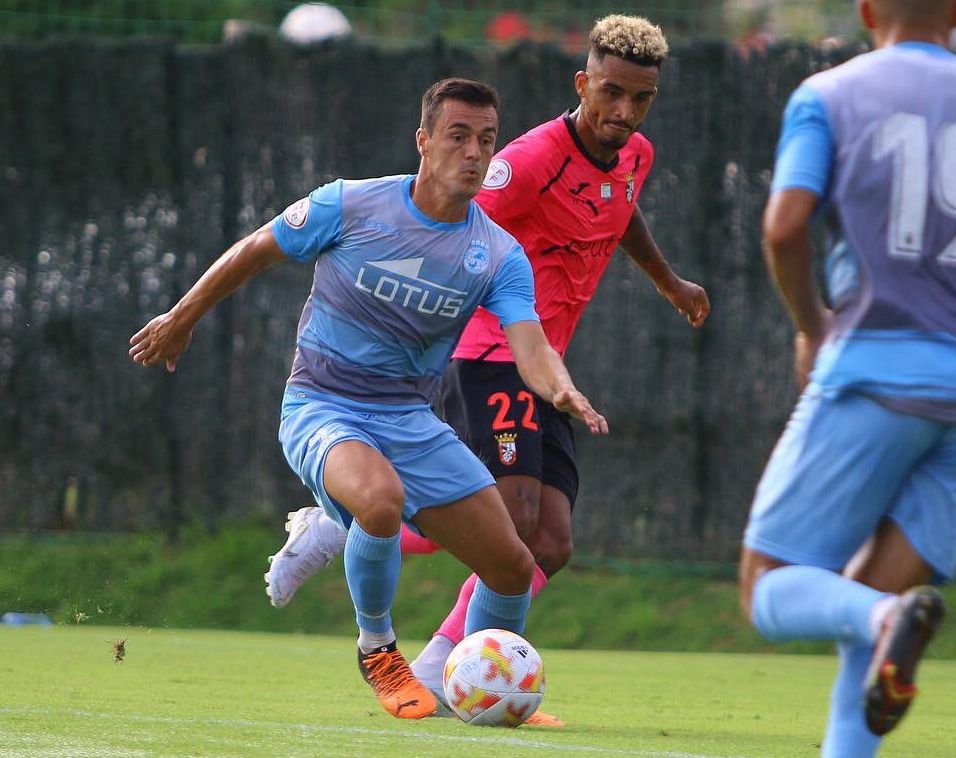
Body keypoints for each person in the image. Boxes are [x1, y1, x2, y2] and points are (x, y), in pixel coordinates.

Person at [263, 14, 710, 721]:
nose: (623, 112)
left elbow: (621, 212)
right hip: (487, 352)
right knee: (511, 517)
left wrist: (668, 281)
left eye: (640, 99)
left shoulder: (634, 155)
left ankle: (445, 660)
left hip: (546, 366)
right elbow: (454, 218)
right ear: (583, 84)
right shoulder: (525, 161)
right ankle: (351, 534)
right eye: (611, 93)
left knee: (550, 545)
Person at [129, 77, 608, 721]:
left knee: (512, 564)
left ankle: (483, 685)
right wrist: (181, 318)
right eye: (458, 136)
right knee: (379, 501)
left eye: (486, 141)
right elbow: (254, 250)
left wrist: (559, 386)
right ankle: (379, 649)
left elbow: (530, 345)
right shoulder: (351, 206)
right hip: (322, 405)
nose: (474, 153)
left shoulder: (496, 254)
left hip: (410, 419)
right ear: (423, 141)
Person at [738, 1, 956, 756]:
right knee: (877, 592)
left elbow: (783, 226)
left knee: (766, 586)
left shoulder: (827, 94)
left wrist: (811, 326)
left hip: (875, 366)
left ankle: (884, 620)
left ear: (866, 9)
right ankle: (882, 633)